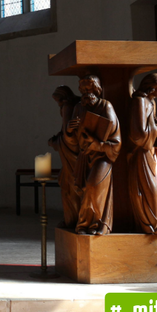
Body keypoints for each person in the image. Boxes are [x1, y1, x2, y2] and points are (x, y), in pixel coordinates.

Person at [67, 75, 121, 235]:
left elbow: (115, 137)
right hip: (84, 156)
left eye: (89, 89)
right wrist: (69, 130)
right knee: (84, 190)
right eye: (83, 89)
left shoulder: (105, 106)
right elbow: (73, 140)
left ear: (97, 89)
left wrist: (97, 143)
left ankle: (97, 224)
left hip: (102, 155)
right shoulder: (78, 108)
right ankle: (84, 224)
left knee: (93, 186)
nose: (86, 92)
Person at [128, 73, 157, 234]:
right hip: (141, 154)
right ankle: (151, 223)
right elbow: (138, 135)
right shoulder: (140, 101)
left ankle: (155, 223)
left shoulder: (151, 102)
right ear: (152, 86)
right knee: (148, 190)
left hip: (149, 152)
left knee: (153, 187)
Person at [47, 86, 81, 229]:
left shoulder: (68, 106)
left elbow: (68, 136)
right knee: (69, 186)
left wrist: (55, 142)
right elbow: (66, 131)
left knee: (71, 188)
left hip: (72, 155)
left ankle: (74, 220)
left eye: (59, 101)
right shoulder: (73, 105)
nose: (59, 104)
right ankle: (73, 220)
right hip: (71, 154)